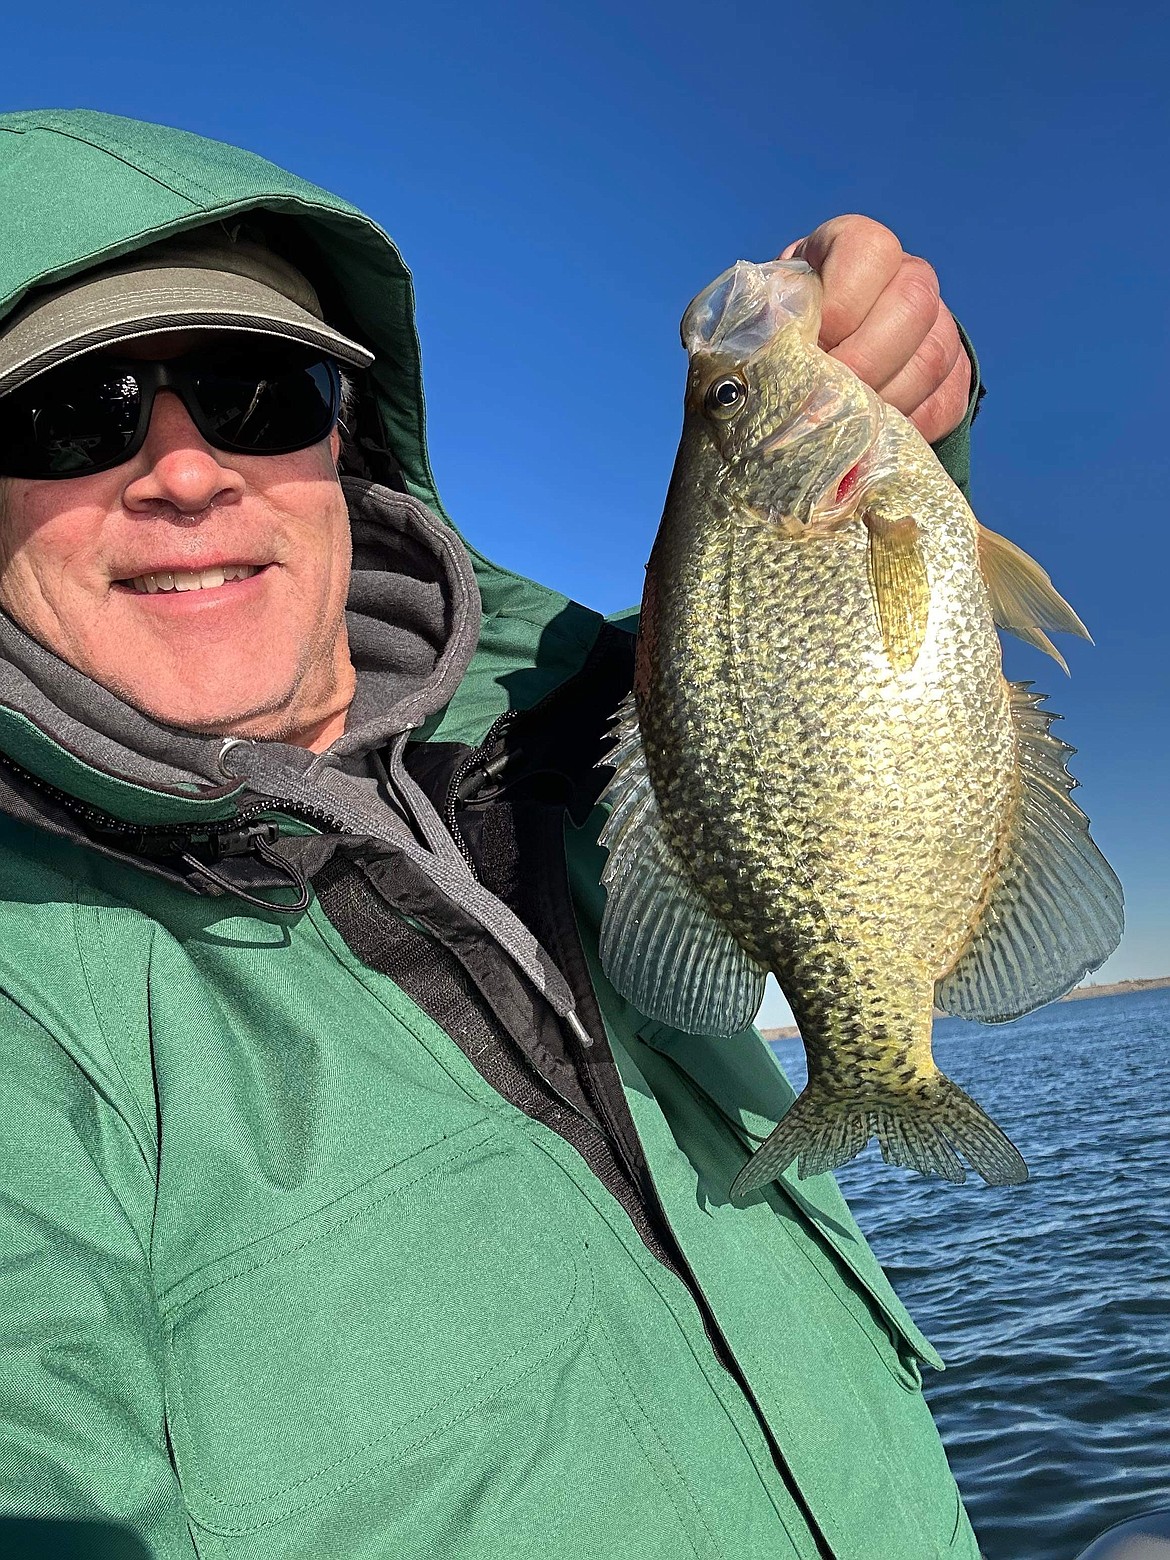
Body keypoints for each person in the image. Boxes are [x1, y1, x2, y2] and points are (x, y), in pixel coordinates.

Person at [0, 109, 982, 1560]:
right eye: (63, 417)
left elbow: (831, 696)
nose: (186, 470)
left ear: (352, 439)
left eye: (255, 390)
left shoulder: (575, 732)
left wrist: (897, 409)